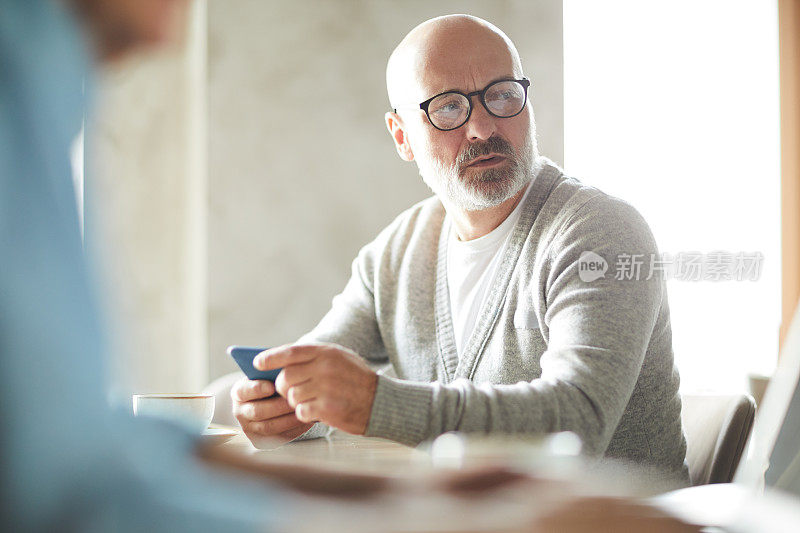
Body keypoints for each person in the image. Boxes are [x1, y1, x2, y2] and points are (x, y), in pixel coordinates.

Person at [232, 13, 689, 486]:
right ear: (402, 136)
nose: (482, 126)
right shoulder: (395, 254)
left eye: (503, 94)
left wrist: (377, 405)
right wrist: (280, 409)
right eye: (449, 107)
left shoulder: (600, 232)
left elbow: (577, 421)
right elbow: (316, 376)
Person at [0, 0, 281, 530]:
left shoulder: (49, 76)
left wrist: (376, 489)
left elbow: (94, 443)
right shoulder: (19, 72)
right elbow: (64, 487)